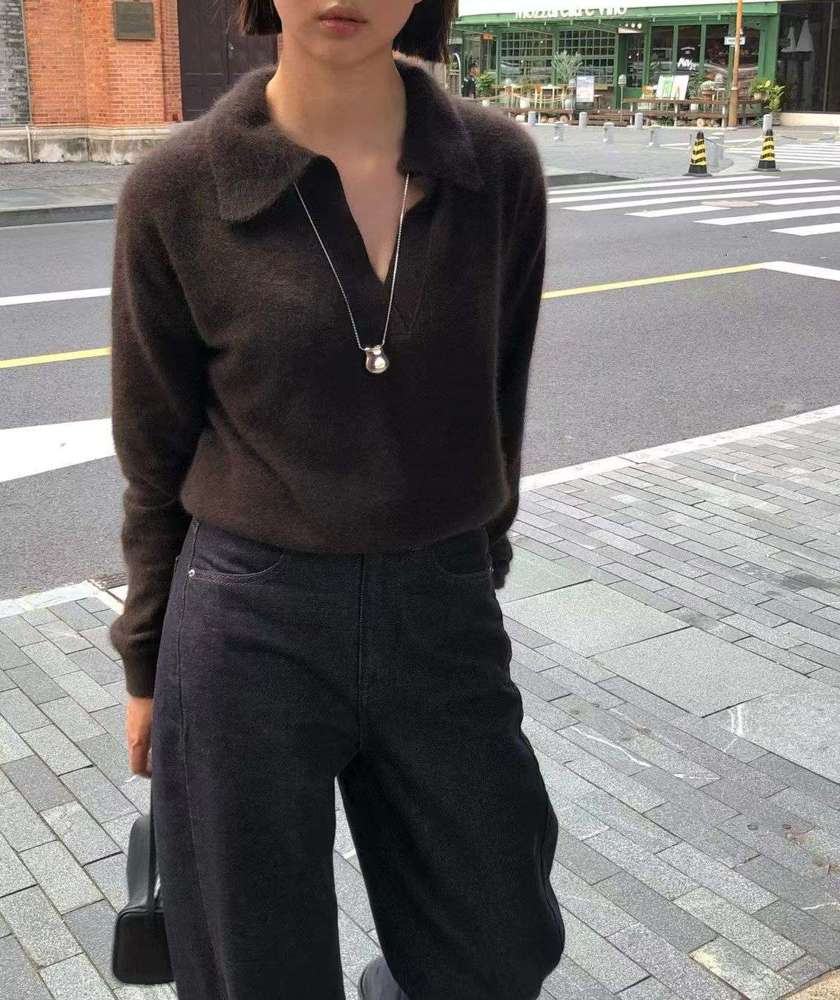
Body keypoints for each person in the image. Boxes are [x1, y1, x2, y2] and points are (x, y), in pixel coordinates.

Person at [109, 1, 564, 998]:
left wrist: (474, 574)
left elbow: (501, 399)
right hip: (246, 617)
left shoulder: (496, 171)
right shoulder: (176, 190)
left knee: (498, 943)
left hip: (439, 603)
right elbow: (153, 451)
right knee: (253, 970)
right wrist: (147, 659)